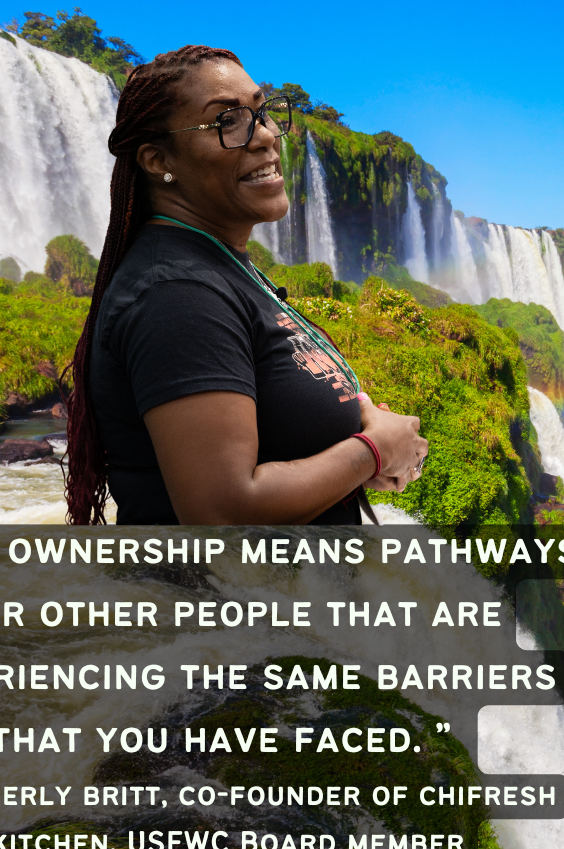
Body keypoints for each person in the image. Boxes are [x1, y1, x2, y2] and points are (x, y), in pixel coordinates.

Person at [64, 45, 427, 525]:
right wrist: (374, 452)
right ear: (157, 161)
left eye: (262, 112)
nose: (266, 136)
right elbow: (224, 510)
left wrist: (361, 438)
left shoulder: (222, 268)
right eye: (227, 121)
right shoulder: (175, 294)